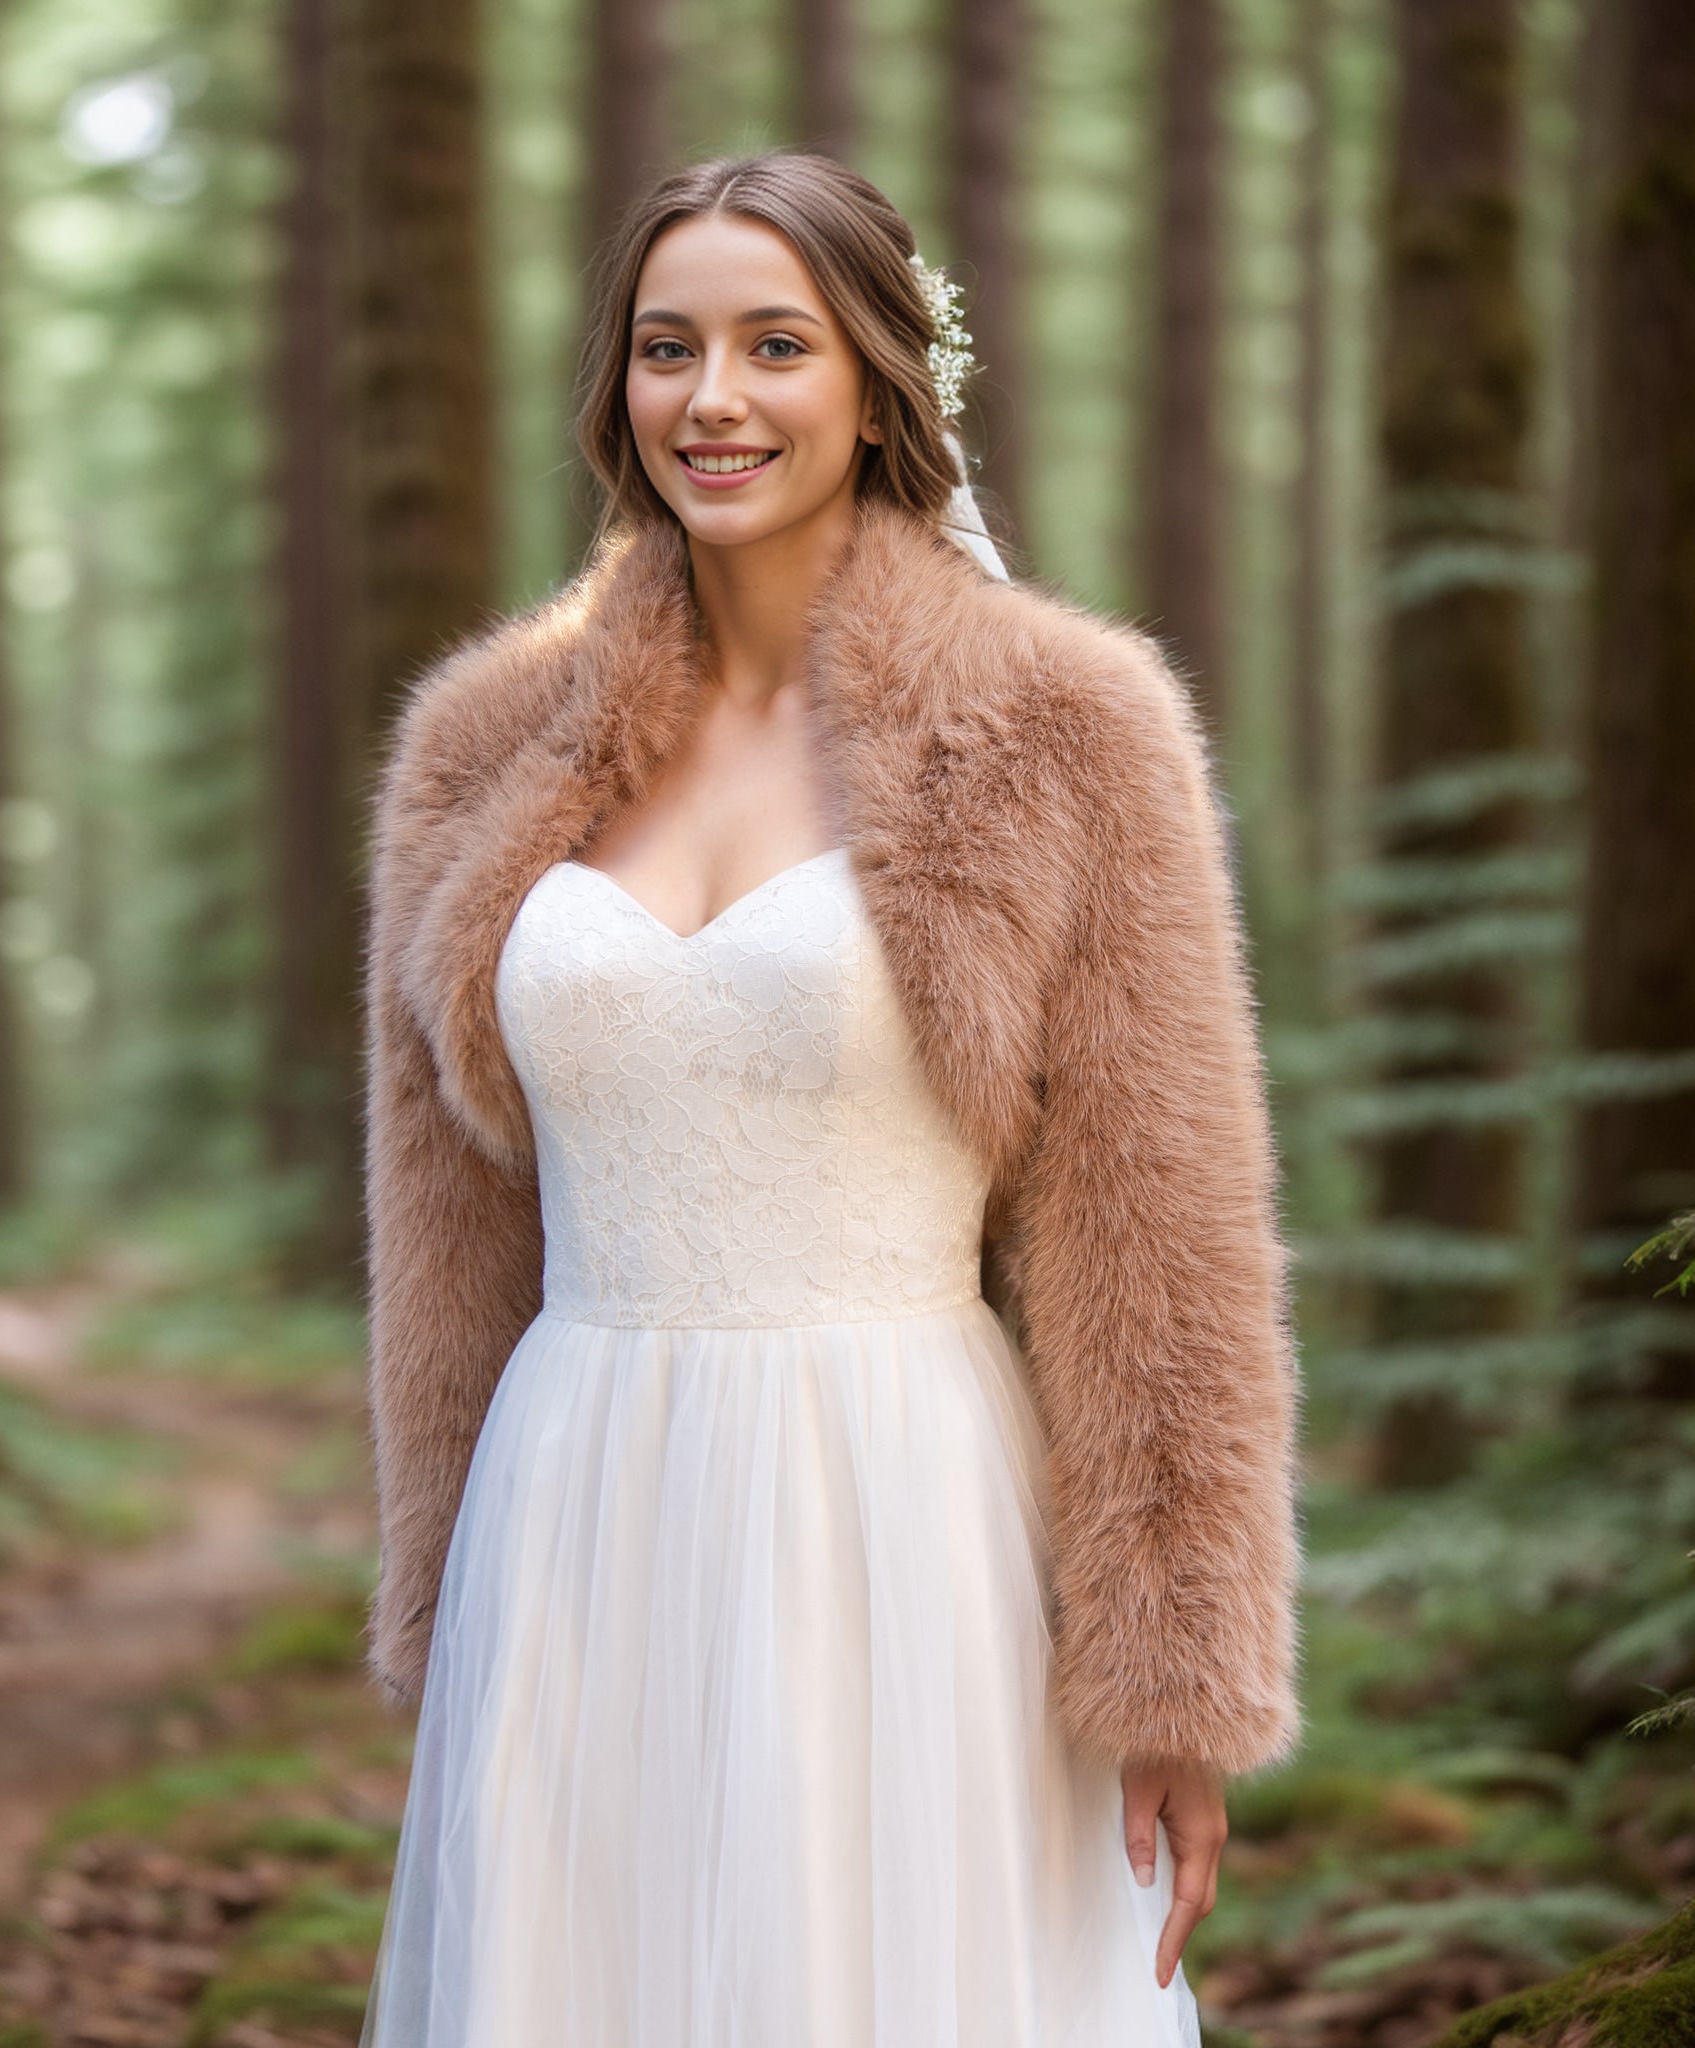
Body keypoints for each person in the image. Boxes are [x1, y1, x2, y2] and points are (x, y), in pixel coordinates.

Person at [357, 147, 1302, 2048]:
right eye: (666, 348)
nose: (713, 399)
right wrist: (444, 1581)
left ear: (877, 377)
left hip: (909, 1524)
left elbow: (1154, 1228)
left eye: (773, 345)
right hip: (575, 1513)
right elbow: (446, 1218)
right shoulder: (486, 739)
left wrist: (1176, 1680)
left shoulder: (1065, 726)